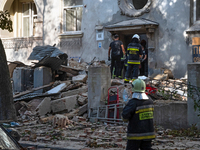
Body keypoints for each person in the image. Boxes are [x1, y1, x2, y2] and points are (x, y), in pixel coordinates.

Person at [122, 79, 155, 150]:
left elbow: (125, 116)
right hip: (148, 133)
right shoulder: (150, 101)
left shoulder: (133, 102)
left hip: (135, 134)